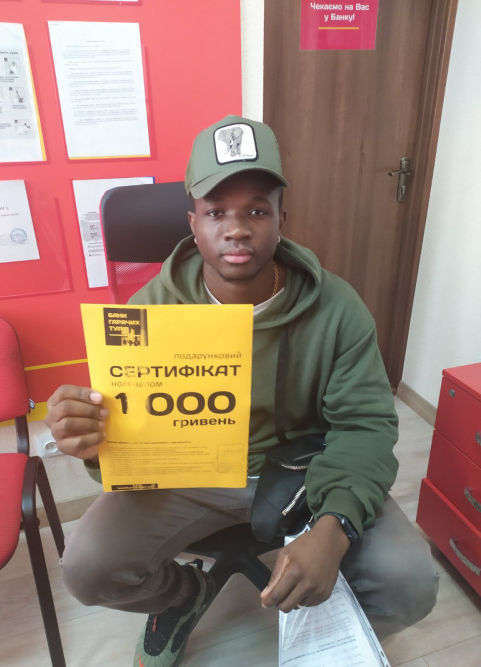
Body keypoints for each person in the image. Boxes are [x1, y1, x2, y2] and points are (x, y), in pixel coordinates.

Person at [45, 115, 438, 666]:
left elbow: (365, 426)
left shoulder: (337, 308)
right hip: (192, 475)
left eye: (257, 210)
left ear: (281, 220)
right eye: (216, 212)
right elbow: (128, 447)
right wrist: (93, 441)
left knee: (410, 582)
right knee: (87, 568)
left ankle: (329, 636)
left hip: (306, 470)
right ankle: (184, 597)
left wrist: (336, 526)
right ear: (193, 223)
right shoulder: (149, 312)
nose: (236, 229)